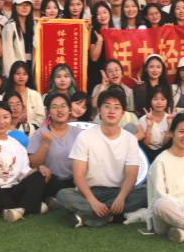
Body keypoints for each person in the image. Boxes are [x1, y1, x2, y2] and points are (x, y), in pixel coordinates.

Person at [56, 89, 148, 228]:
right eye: (107, 106)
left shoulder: (130, 139)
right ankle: (112, 216)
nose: (111, 111)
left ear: (123, 113)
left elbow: (132, 175)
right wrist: (93, 201)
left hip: (118, 191)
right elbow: (78, 176)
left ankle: (85, 215)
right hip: (89, 191)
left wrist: (121, 198)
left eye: (116, 107)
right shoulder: (85, 137)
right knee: (63, 194)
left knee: (146, 191)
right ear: (99, 110)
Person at [28, 92, 80, 203]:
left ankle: (59, 200)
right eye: (54, 107)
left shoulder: (79, 133)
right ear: (48, 112)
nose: (59, 110)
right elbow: (33, 164)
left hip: (75, 181)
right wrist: (45, 143)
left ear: (69, 110)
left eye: (63, 106)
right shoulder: (40, 133)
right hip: (51, 180)